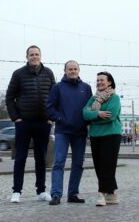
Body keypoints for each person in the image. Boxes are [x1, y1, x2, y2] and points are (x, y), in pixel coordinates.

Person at [5, 45, 56, 203]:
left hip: (43, 122)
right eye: (31, 54)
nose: (34, 57)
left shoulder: (48, 73)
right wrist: (16, 118)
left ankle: (41, 191)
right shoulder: (18, 74)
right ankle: (17, 191)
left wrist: (50, 118)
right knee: (20, 157)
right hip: (24, 122)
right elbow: (9, 97)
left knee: (41, 158)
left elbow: (55, 97)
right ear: (26, 57)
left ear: (41, 56)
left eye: (37, 54)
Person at [47, 60, 93, 205]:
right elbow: (49, 107)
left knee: (78, 163)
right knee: (59, 162)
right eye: (70, 69)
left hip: (80, 132)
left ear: (79, 70)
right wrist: (60, 118)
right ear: (65, 70)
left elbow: (90, 108)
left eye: (75, 69)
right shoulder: (57, 87)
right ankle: (56, 194)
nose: (72, 71)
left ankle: (73, 194)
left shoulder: (86, 88)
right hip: (62, 131)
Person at [82, 71, 122, 206]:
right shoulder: (93, 99)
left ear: (109, 82)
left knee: (107, 165)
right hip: (95, 135)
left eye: (102, 80)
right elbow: (84, 113)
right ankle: (112, 194)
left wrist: (93, 117)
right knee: (99, 165)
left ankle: (101, 194)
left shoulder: (115, 98)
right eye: (97, 80)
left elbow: (110, 116)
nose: (99, 82)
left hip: (111, 135)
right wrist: (98, 113)